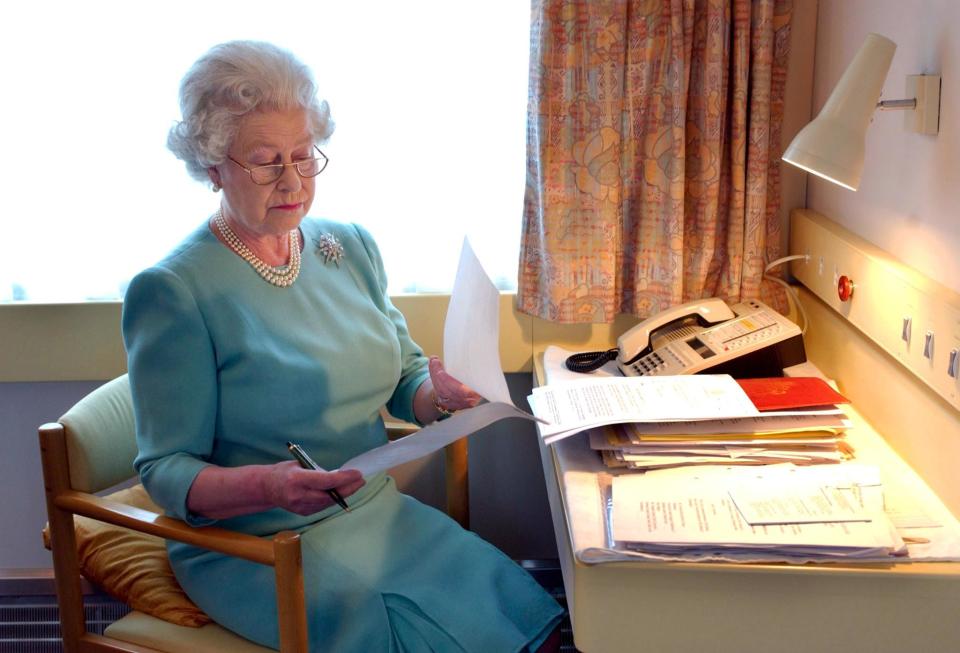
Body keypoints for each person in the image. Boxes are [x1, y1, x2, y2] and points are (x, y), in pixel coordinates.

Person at [122, 40, 563, 652]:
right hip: (261, 540)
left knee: (527, 623)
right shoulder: (173, 291)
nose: (292, 180)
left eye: (303, 155)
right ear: (213, 164)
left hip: (375, 511)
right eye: (264, 160)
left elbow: (404, 374)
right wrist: (273, 487)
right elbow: (166, 471)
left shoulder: (348, 245)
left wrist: (440, 394)